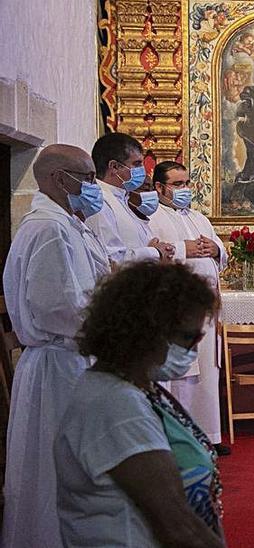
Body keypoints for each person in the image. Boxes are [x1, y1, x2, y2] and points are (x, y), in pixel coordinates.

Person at [57, 262, 223, 547]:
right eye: (187, 337)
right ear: (147, 331)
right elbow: (177, 525)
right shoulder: (115, 406)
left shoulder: (134, 387)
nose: (193, 350)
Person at [1, 144, 111, 547]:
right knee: (55, 476)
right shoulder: (48, 228)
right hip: (59, 365)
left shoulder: (68, 223)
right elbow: (57, 308)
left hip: (71, 361)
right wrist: (114, 323)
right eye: (86, 176)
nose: (93, 185)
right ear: (57, 179)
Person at [148, 161, 231, 455]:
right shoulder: (151, 216)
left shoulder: (198, 218)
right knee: (180, 375)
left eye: (187, 183)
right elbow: (152, 252)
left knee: (207, 372)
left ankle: (208, 434)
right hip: (176, 309)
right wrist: (185, 249)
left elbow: (221, 251)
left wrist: (216, 249)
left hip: (205, 311)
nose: (185, 190)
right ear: (159, 187)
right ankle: (181, 435)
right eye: (178, 184)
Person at [86, 132, 175, 264]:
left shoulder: (122, 198)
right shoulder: (99, 201)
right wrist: (154, 252)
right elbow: (110, 259)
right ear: (114, 166)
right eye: (137, 164)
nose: (143, 170)